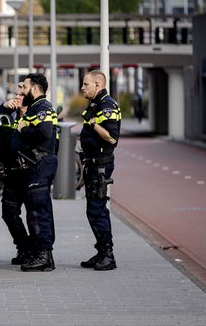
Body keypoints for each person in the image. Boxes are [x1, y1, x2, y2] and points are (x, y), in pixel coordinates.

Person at [13, 73, 58, 272]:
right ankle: (40, 253)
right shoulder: (34, 108)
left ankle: (44, 255)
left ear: (36, 88)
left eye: (26, 86)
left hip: (40, 164)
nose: (23, 90)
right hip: (36, 165)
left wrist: (23, 129)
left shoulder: (42, 107)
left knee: (39, 211)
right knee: (35, 211)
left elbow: (44, 133)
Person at [79, 70, 122, 271]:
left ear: (98, 84)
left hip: (101, 165)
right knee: (93, 209)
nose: (82, 87)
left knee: (97, 210)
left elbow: (112, 137)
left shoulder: (107, 105)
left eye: (86, 84)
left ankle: (108, 254)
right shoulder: (96, 103)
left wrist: (95, 123)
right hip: (93, 164)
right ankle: (101, 251)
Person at [0, 83, 33, 265]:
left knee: (34, 215)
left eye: (20, 95)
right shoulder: (9, 114)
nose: (16, 97)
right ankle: (23, 247)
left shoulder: (35, 116)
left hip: (30, 173)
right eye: (15, 94)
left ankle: (37, 251)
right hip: (12, 173)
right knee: (9, 212)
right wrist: (2, 108)